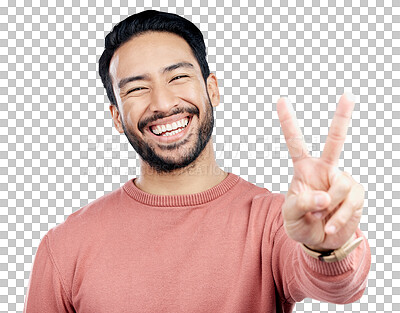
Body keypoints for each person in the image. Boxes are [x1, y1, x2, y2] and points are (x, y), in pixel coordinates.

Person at [24, 10, 371, 313]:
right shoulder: (65, 244)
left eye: (178, 77)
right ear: (116, 117)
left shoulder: (273, 221)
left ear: (212, 89)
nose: (162, 102)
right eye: (136, 88)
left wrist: (329, 246)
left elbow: (340, 286)